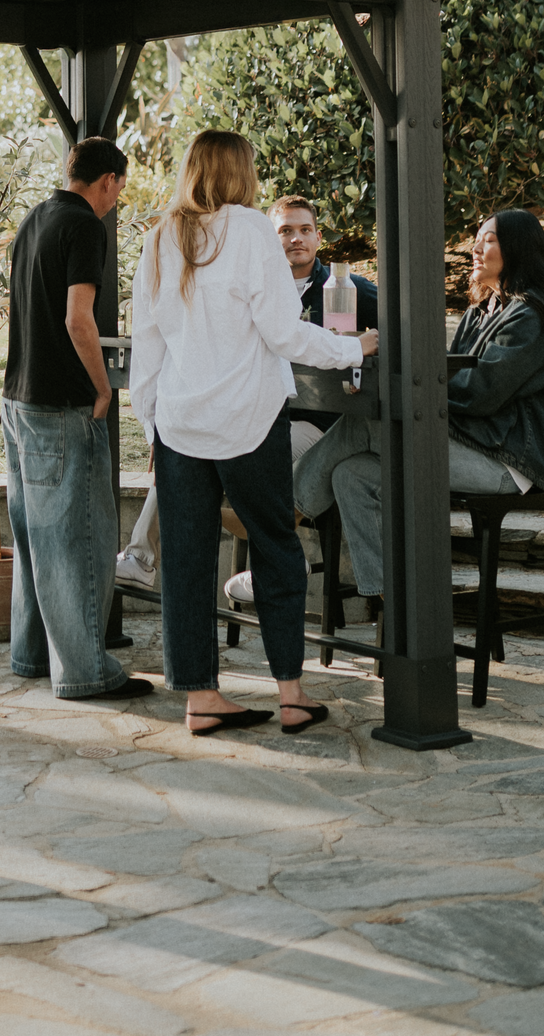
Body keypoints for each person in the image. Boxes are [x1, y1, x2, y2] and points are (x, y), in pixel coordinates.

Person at [130, 131, 378, 735]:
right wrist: (354, 348)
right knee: (276, 548)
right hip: (250, 421)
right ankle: (291, 694)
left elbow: (147, 347)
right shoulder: (247, 229)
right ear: (239, 171)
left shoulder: (160, 238)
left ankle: (201, 699)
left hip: (180, 426)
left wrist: (153, 427)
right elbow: (284, 333)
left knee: (185, 562)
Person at [292, 208, 544, 609]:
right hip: (473, 441)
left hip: (505, 462)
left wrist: (406, 390)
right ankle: (395, 604)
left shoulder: (533, 315)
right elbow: (445, 375)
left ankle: (285, 515)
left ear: (519, 249)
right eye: (476, 241)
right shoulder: (481, 311)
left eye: (489, 240)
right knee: (350, 474)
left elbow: (477, 393)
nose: (476, 249)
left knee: (362, 426)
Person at [117, 191, 376, 590]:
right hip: (250, 407)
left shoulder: (347, 288)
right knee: (187, 439)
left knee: (240, 444)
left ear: (318, 237)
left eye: (305, 230)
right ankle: (142, 556)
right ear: (268, 237)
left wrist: (363, 363)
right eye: (285, 231)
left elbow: (387, 335)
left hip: (312, 423)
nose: (296, 238)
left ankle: (274, 562)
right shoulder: (246, 277)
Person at [2, 135, 153, 702]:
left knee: (33, 538)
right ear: (108, 180)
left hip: (17, 402)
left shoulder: (34, 219)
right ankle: (86, 671)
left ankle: (31, 654)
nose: (117, 200)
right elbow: (77, 319)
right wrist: (103, 387)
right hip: (62, 406)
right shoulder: (86, 226)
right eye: (120, 188)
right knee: (77, 540)